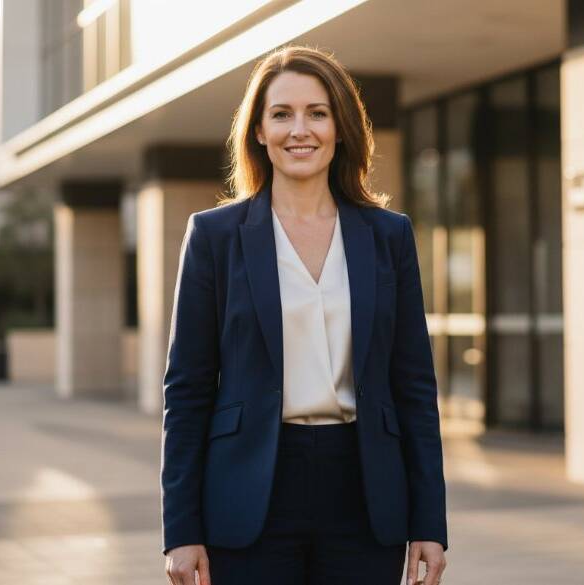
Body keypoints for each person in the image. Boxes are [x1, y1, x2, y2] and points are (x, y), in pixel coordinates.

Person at [161, 45, 448, 585]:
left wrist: (429, 521)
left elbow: (414, 386)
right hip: (249, 492)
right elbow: (188, 390)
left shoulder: (389, 236)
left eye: (317, 112)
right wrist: (181, 529)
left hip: (364, 489)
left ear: (341, 127)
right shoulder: (215, 238)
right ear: (258, 133)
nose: (301, 130)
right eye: (282, 114)